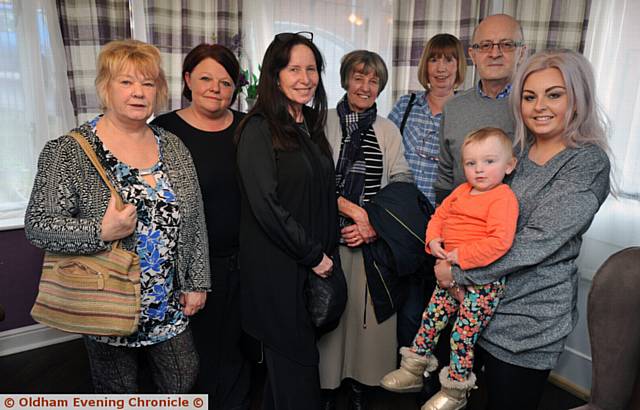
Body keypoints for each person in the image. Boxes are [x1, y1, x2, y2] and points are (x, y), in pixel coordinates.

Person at [24, 39, 210, 393]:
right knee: (118, 391)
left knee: (183, 377)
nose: (138, 92)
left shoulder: (171, 144)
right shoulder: (68, 150)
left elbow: (194, 219)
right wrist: (101, 229)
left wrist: (196, 281)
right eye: (126, 82)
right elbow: (38, 225)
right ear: (105, 87)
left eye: (148, 83)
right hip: (106, 300)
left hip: (166, 301)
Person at [433, 49, 611, 409]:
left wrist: (457, 269)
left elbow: (536, 242)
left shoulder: (587, 162)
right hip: (479, 309)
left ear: (578, 98)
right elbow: (472, 214)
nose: (539, 106)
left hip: (527, 327)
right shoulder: (517, 153)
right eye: (530, 96)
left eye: (554, 94)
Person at [381, 127, 518, 410]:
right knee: (430, 320)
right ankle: (413, 368)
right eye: (471, 163)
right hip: (450, 272)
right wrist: (433, 240)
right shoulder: (461, 192)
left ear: (509, 165)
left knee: (461, 336)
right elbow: (438, 217)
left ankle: (455, 390)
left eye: (489, 162)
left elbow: (500, 242)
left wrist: (458, 257)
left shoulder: (503, 198)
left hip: (482, 284)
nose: (479, 170)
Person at [235, 31, 337, 410]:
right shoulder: (258, 128)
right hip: (279, 273)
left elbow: (321, 195)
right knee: (299, 375)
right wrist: (315, 255)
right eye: (294, 68)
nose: (305, 78)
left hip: (309, 268)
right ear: (275, 74)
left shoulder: (309, 124)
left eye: (311, 69)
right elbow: (266, 207)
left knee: (285, 379)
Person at [151, 44, 249, 409]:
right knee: (192, 357)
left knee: (236, 348)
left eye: (225, 82)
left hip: (244, 259)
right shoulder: (163, 131)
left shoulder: (247, 128)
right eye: (206, 78)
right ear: (188, 79)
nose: (215, 88)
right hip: (188, 267)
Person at [318, 50, 413, 409]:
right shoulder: (320, 122)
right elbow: (312, 181)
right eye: (359, 78)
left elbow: (402, 181)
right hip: (329, 237)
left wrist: (372, 222)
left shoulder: (387, 129)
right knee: (331, 317)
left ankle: (359, 385)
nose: (365, 86)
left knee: (369, 322)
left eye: (374, 80)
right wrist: (350, 210)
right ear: (345, 80)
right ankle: (328, 387)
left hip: (371, 241)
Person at [387, 32, 466, 356]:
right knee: (407, 308)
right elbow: (386, 150)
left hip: (449, 229)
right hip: (406, 224)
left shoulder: (465, 110)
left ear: (459, 65)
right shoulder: (406, 105)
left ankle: (437, 386)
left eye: (449, 59)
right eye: (434, 58)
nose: (441, 67)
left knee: (445, 309)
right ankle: (410, 375)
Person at [433, 14, 527, 204]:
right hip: (462, 223)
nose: (494, 53)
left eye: (506, 44)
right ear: (472, 54)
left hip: (519, 226)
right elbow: (445, 174)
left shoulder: (534, 108)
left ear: (522, 53)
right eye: (485, 45)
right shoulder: (453, 107)